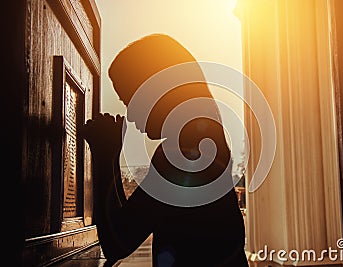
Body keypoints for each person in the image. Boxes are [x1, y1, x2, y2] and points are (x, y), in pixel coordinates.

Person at [82, 33, 248, 267]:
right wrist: (109, 157)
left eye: (130, 98)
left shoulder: (182, 154)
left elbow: (116, 243)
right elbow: (126, 221)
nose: (129, 113)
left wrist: (104, 155)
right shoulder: (206, 140)